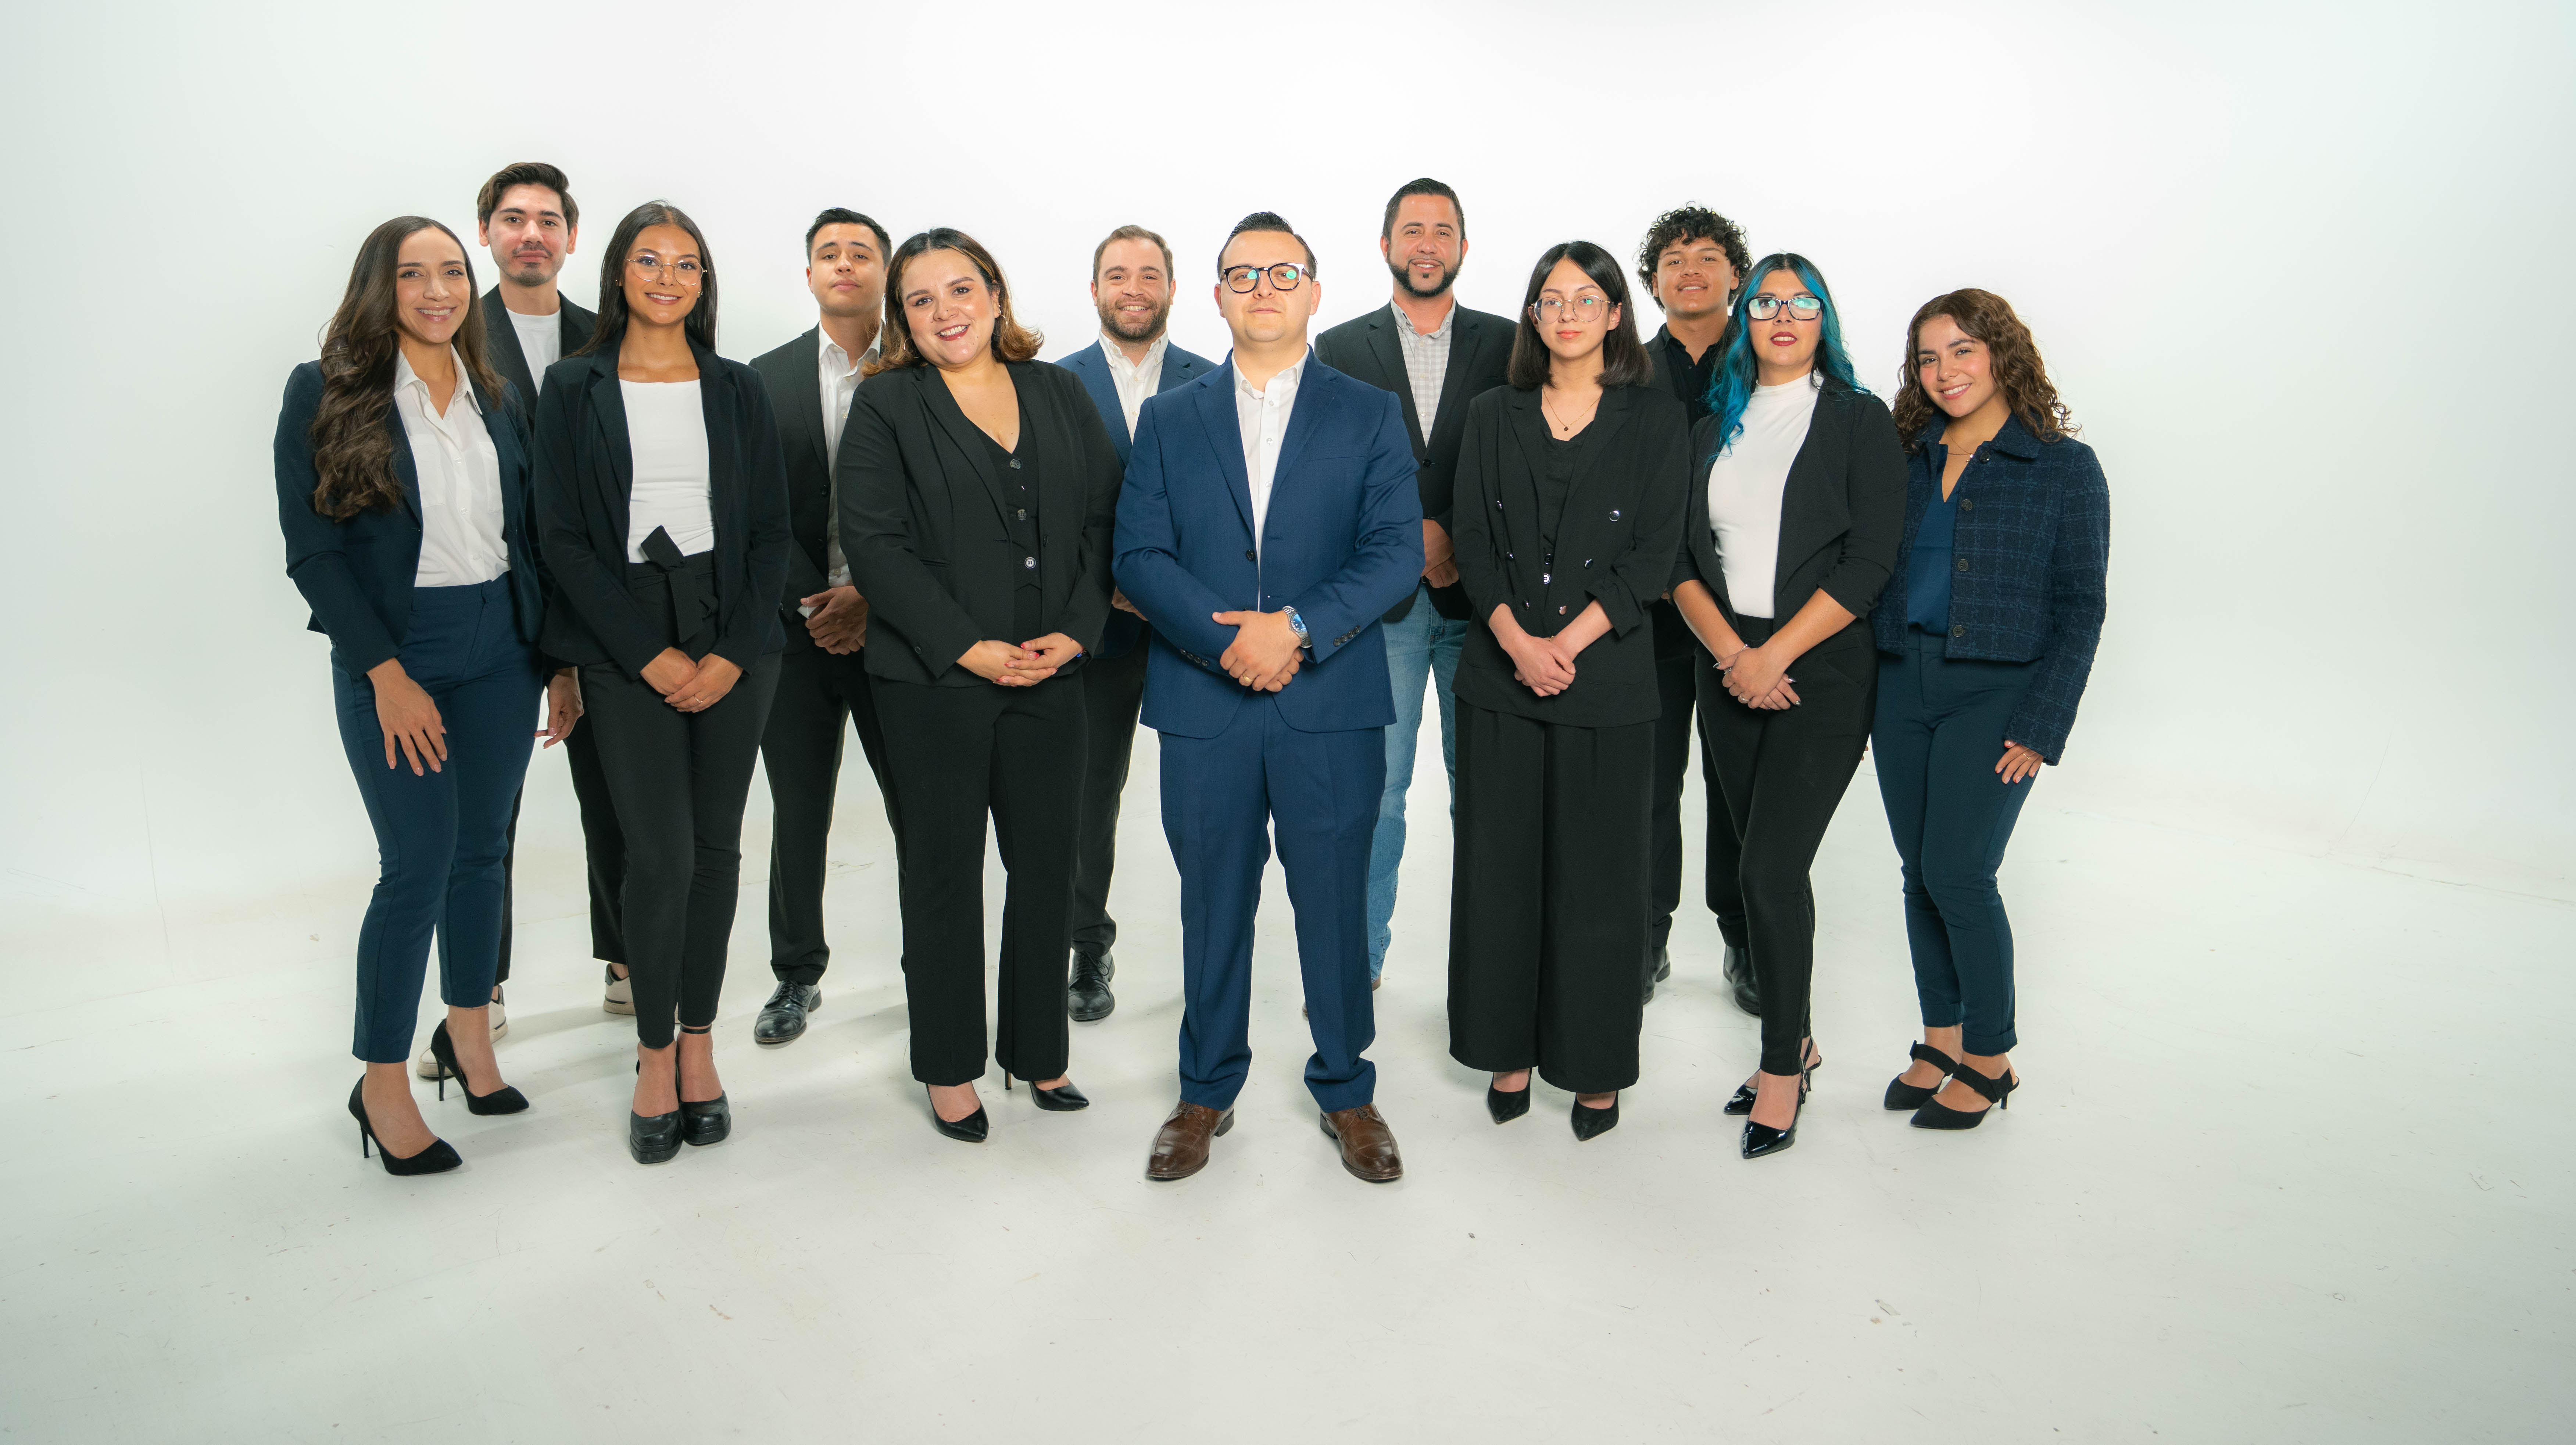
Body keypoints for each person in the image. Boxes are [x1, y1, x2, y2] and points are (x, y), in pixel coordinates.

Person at [1115, 212, 1424, 1184]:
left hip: (1328, 701)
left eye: (1282, 272)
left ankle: (1348, 1089)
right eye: (1241, 274)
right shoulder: (1170, 417)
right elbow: (1138, 557)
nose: (1261, 289)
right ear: (1214, 297)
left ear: (1314, 293)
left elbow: (1396, 556)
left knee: (1333, 905)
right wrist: (1229, 643)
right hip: (1205, 707)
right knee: (1213, 903)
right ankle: (1205, 1090)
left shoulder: (1368, 412)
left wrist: (1289, 629)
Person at [275, 216, 549, 1174]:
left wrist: (552, 658)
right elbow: (313, 553)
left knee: (484, 853)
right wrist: (385, 674)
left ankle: (467, 1037)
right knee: (418, 864)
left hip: (503, 647)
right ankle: (380, 1080)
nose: (438, 290)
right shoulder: (325, 392)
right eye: (413, 273)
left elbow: (533, 537)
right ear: (377, 287)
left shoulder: (498, 396)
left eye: (452, 273)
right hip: (401, 650)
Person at [839, 228, 1120, 1142]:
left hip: (1053, 674)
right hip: (932, 684)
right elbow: (876, 547)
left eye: (961, 290)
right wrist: (971, 648)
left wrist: (1075, 634)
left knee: (1047, 867)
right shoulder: (885, 408)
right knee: (945, 874)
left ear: (996, 296)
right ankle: (951, 1066)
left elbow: (1103, 524)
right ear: (902, 321)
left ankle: (1039, 1051)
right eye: (920, 300)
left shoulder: (1059, 391)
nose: (945, 311)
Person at [531, 201, 791, 1165]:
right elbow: (559, 536)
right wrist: (646, 654)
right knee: (659, 854)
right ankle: (649, 1053)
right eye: (650, 259)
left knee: (717, 849)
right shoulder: (571, 386)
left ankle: (697, 1045)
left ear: (703, 283)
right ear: (619, 275)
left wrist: (729, 651)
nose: (669, 277)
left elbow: (771, 532)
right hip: (623, 630)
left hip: (734, 634)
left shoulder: (737, 386)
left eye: (688, 263)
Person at [1446, 242, 1689, 1141]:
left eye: (1587, 299)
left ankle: (1592, 1069)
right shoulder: (1490, 413)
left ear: (1616, 314)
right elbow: (1471, 541)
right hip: (1501, 679)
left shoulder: (1657, 422)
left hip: (1607, 685)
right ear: (1534, 317)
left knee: (1599, 884)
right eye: (1552, 300)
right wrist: (1518, 642)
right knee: (1501, 873)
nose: (1569, 313)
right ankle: (1507, 1049)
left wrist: (1566, 645)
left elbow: (1653, 558)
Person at [1668, 252, 1905, 1160]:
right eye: (1765, 301)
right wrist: (1733, 654)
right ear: (1744, 319)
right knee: (1745, 874)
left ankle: (1780, 1067)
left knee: (1771, 870)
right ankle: (1795, 1042)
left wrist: (1774, 653)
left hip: (1820, 675)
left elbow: (1869, 563)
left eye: (1800, 303)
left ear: (1824, 321)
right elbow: (1679, 563)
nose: (1780, 315)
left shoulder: (1857, 421)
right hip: (1727, 674)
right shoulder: (1708, 428)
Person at [1871, 289, 2108, 1129]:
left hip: (1997, 692)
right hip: (1901, 684)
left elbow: (2082, 606)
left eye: (1963, 350)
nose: (1945, 372)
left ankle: (1991, 1055)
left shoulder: (2063, 467)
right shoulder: (1907, 456)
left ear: (2003, 354)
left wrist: (2042, 727)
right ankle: (1939, 1037)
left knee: (1960, 874)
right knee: (1916, 874)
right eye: (1929, 358)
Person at [409, 162, 616, 1084]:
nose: (531, 233)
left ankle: (625, 958)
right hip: (491, 597)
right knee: (481, 817)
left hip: (603, 602)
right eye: (511, 219)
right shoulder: (451, 323)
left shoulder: (610, 334)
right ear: (484, 234)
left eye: (548, 220)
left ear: (573, 237)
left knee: (614, 789)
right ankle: (476, 989)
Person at [1313, 178, 1515, 988]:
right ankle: (1354, 968)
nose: (1427, 243)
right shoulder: (1338, 347)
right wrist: (1408, 547)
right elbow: (1328, 481)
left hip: (1488, 607)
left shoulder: (1510, 344)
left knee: (1489, 801)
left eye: (1443, 230)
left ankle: (1489, 977)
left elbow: (1528, 464)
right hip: (1386, 611)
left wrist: (1456, 540)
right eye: (1412, 229)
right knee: (1379, 800)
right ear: (1387, 245)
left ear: (1463, 247)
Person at [1049, 224, 1219, 1022]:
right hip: (1099, 625)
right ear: (1095, 290)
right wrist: (1106, 588)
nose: (1134, 287)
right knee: (1089, 791)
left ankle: (1219, 951)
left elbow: (1227, 508)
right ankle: (1088, 946)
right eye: (1118, 274)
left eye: (1149, 273)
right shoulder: (1053, 384)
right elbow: (1048, 515)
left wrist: (1171, 590)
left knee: (1210, 793)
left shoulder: (1213, 381)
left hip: (1193, 622)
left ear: (1172, 288)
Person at [745, 207, 902, 1048]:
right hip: (795, 632)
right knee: (799, 810)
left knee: (921, 810)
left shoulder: (923, 373)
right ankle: (795, 975)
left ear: (885, 271)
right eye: (827, 254)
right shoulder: (759, 379)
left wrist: (871, 597)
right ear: (809, 274)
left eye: (861, 252)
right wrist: (821, 602)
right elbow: (750, 513)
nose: (844, 265)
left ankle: (932, 967)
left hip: (900, 631)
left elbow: (937, 514)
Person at [1631, 206, 1754, 1009]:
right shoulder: (1625, 370)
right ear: (1651, 283)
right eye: (1673, 260)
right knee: (1649, 786)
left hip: (1748, 614)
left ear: (1735, 277)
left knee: (1740, 784)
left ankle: (1746, 942)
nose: (1691, 271)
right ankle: (1645, 937)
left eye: (1708, 257)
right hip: (1649, 616)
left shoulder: (1774, 361)